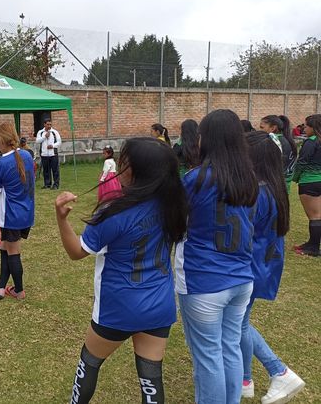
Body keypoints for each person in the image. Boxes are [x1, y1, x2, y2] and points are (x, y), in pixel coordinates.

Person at [54, 137, 188, 404]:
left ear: (135, 171)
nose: (118, 166)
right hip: (158, 305)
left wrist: (61, 218)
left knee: (89, 363)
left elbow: (76, 252)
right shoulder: (174, 206)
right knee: (151, 379)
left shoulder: (114, 211)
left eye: (123, 161)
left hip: (118, 307)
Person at [175, 109, 258, 404]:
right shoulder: (249, 178)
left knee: (209, 356)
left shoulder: (195, 179)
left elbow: (175, 223)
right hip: (241, 279)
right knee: (229, 348)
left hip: (204, 281)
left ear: (207, 139)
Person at [241, 131, 305, 403]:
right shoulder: (273, 187)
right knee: (240, 323)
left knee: (239, 324)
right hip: (264, 264)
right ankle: (244, 379)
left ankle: (278, 371)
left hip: (252, 266)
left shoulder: (257, 193)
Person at [0, 123, 35, 300]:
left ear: (2, 140)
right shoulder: (27, 155)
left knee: (13, 250)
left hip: (11, 214)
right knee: (5, 245)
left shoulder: (1, 162)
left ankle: (18, 290)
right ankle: (0, 286)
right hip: (26, 210)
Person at [292, 114, 321, 257]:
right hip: (319, 180)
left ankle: (313, 247)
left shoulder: (311, 142)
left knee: (314, 216)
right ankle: (311, 243)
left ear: (314, 128)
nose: (304, 129)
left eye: (307, 126)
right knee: (317, 214)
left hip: (309, 181)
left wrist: (295, 177)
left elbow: (302, 162)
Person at [259, 115, 298, 191]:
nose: (259, 130)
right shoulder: (287, 140)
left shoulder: (272, 141)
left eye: (262, 127)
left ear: (273, 128)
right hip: (285, 183)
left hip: (273, 184)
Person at [36, 118, 61, 189]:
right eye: (48, 124)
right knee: (46, 170)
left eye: (50, 124)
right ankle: (47, 184)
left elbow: (59, 142)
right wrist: (44, 137)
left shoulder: (55, 132)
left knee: (55, 170)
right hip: (44, 154)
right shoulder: (40, 132)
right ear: (44, 124)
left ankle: (56, 185)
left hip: (53, 154)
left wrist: (53, 146)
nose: (49, 126)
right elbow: (37, 141)